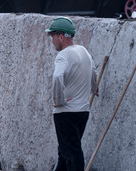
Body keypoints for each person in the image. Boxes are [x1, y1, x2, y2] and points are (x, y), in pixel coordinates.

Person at [46, 16, 98, 171]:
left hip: (65, 112)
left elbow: (57, 76)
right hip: (83, 111)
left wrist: (59, 100)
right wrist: (94, 89)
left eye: (53, 37)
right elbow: (93, 71)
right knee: (65, 152)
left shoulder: (63, 55)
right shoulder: (84, 51)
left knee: (72, 153)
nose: (52, 40)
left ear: (61, 36)